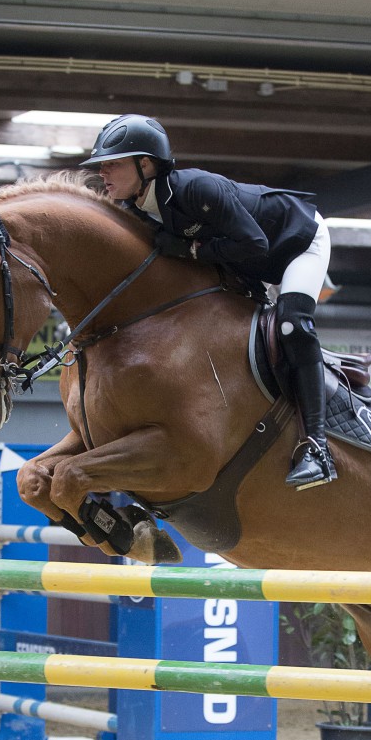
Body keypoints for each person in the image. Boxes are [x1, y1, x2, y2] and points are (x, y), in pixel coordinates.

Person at [81, 114, 335, 491]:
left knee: (290, 326)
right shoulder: (133, 210)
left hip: (295, 243)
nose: (103, 173)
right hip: (244, 263)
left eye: (112, 164)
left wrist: (190, 248)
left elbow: (255, 245)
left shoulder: (197, 189)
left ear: (146, 164)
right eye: (102, 166)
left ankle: (317, 448)